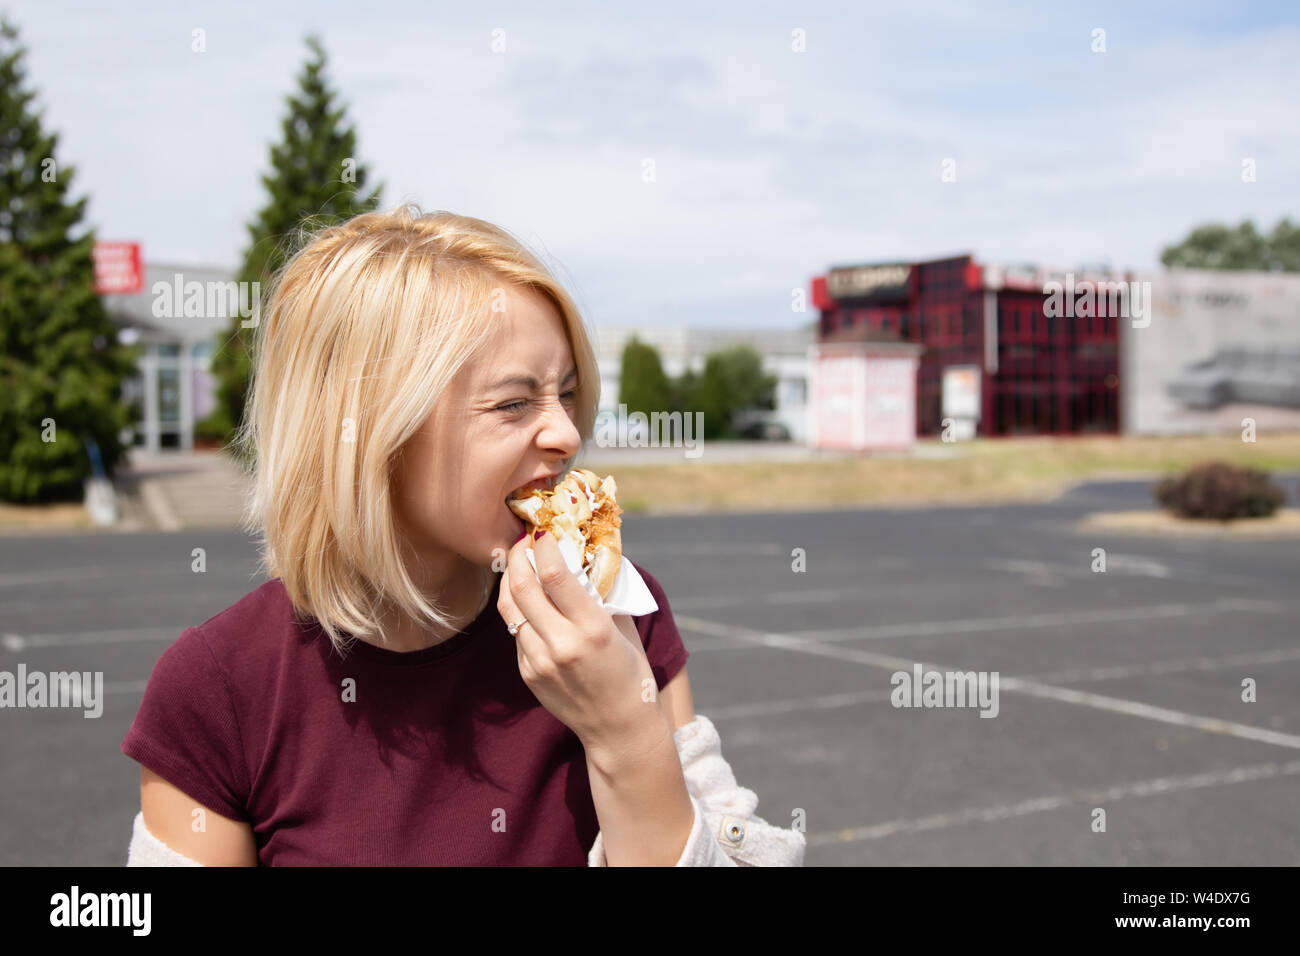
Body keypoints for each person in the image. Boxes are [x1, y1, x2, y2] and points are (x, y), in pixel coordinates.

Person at [121, 204, 806, 866]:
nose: (568, 433)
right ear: (372, 436)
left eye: (566, 392)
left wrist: (627, 734)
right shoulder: (220, 688)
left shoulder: (619, 614)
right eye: (514, 402)